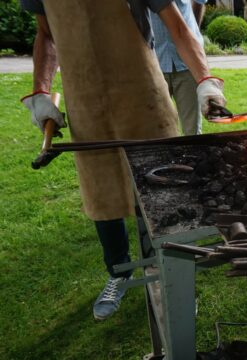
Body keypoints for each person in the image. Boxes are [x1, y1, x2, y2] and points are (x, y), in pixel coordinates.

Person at [19, 0, 226, 320]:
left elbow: (176, 24)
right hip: (86, 104)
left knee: (161, 193)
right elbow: (46, 35)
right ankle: (119, 273)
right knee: (101, 194)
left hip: (144, 99)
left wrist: (204, 80)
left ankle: (169, 276)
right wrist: (41, 90)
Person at [151, 0, 207, 135]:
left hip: (186, 65)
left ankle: (193, 156)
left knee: (192, 130)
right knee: (158, 129)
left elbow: (199, 2)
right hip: (154, 65)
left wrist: (190, 36)